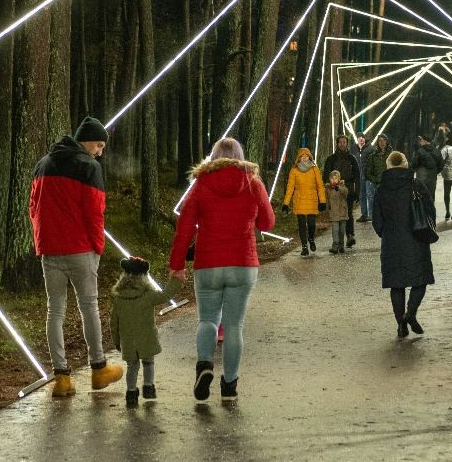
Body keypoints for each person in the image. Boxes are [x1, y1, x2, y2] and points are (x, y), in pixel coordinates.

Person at [169, 137, 275, 403]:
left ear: (213, 156)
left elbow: (184, 229)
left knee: (207, 320)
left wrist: (177, 265)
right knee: (234, 325)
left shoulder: (201, 184)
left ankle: (204, 366)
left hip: (208, 264)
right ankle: (229, 386)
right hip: (243, 263)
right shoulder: (253, 183)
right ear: (241, 155)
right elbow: (268, 222)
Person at [29, 116, 125, 396]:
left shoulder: (43, 163)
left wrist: (41, 241)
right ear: (86, 142)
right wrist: (98, 247)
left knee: (54, 310)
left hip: (50, 249)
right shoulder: (89, 167)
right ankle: (98, 369)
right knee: (89, 307)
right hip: (81, 249)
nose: (100, 152)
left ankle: (61, 378)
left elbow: (33, 207)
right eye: (98, 145)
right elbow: (95, 212)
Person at [371, 151, 435, 338]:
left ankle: (401, 324)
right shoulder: (416, 185)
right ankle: (411, 313)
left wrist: (386, 233)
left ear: (388, 165)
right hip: (416, 239)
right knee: (420, 280)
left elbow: (377, 220)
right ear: (406, 164)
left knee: (396, 285)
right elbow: (430, 210)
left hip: (392, 242)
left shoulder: (381, 189)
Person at [111, 257, 185, 408]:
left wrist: (117, 341)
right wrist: (176, 280)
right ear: (144, 277)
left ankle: (131, 393)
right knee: (148, 362)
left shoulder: (119, 299)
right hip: (146, 339)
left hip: (128, 341)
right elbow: (165, 295)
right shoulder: (147, 296)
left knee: (132, 367)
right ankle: (148, 387)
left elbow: (114, 323)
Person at [282, 147, 326, 256]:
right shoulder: (294, 170)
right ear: (299, 158)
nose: (305, 158)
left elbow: (320, 186)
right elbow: (290, 188)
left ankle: (311, 238)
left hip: (312, 199)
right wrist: (286, 203)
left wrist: (322, 201)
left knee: (311, 224)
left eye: (307, 156)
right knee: (301, 225)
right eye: (303, 156)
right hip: (299, 199)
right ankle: (304, 246)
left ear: (310, 157)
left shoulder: (314, 169)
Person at [321, 135, 360, 248]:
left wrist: (357, 191)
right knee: (336, 215)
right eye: (340, 142)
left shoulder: (352, 159)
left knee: (348, 213)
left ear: (347, 143)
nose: (342, 144)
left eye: (344, 142)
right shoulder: (331, 159)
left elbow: (357, 176)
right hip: (334, 191)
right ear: (337, 144)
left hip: (348, 190)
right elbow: (326, 175)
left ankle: (350, 235)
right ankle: (337, 241)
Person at [360, 133, 388, 223]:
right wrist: (375, 180)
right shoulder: (373, 156)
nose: (382, 142)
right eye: (380, 140)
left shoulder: (392, 155)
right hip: (377, 184)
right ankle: (374, 216)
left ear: (387, 142)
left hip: (388, 183)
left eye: (384, 140)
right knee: (374, 199)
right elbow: (368, 171)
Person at [410, 134, 442, 208]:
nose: (420, 142)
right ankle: (431, 214)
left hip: (421, 178)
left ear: (425, 141)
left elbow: (414, 164)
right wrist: (435, 172)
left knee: (421, 197)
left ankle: (422, 215)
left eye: (421, 140)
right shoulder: (437, 151)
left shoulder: (420, 151)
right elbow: (441, 165)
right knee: (431, 196)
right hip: (432, 178)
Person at [324, 170, 352, 253]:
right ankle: (335, 246)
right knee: (335, 230)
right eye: (332, 178)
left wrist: (339, 188)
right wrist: (326, 209)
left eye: (336, 178)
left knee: (341, 231)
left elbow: (346, 193)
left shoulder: (342, 187)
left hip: (342, 213)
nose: (334, 180)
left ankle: (341, 245)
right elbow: (327, 200)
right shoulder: (328, 189)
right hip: (334, 213)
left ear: (339, 179)